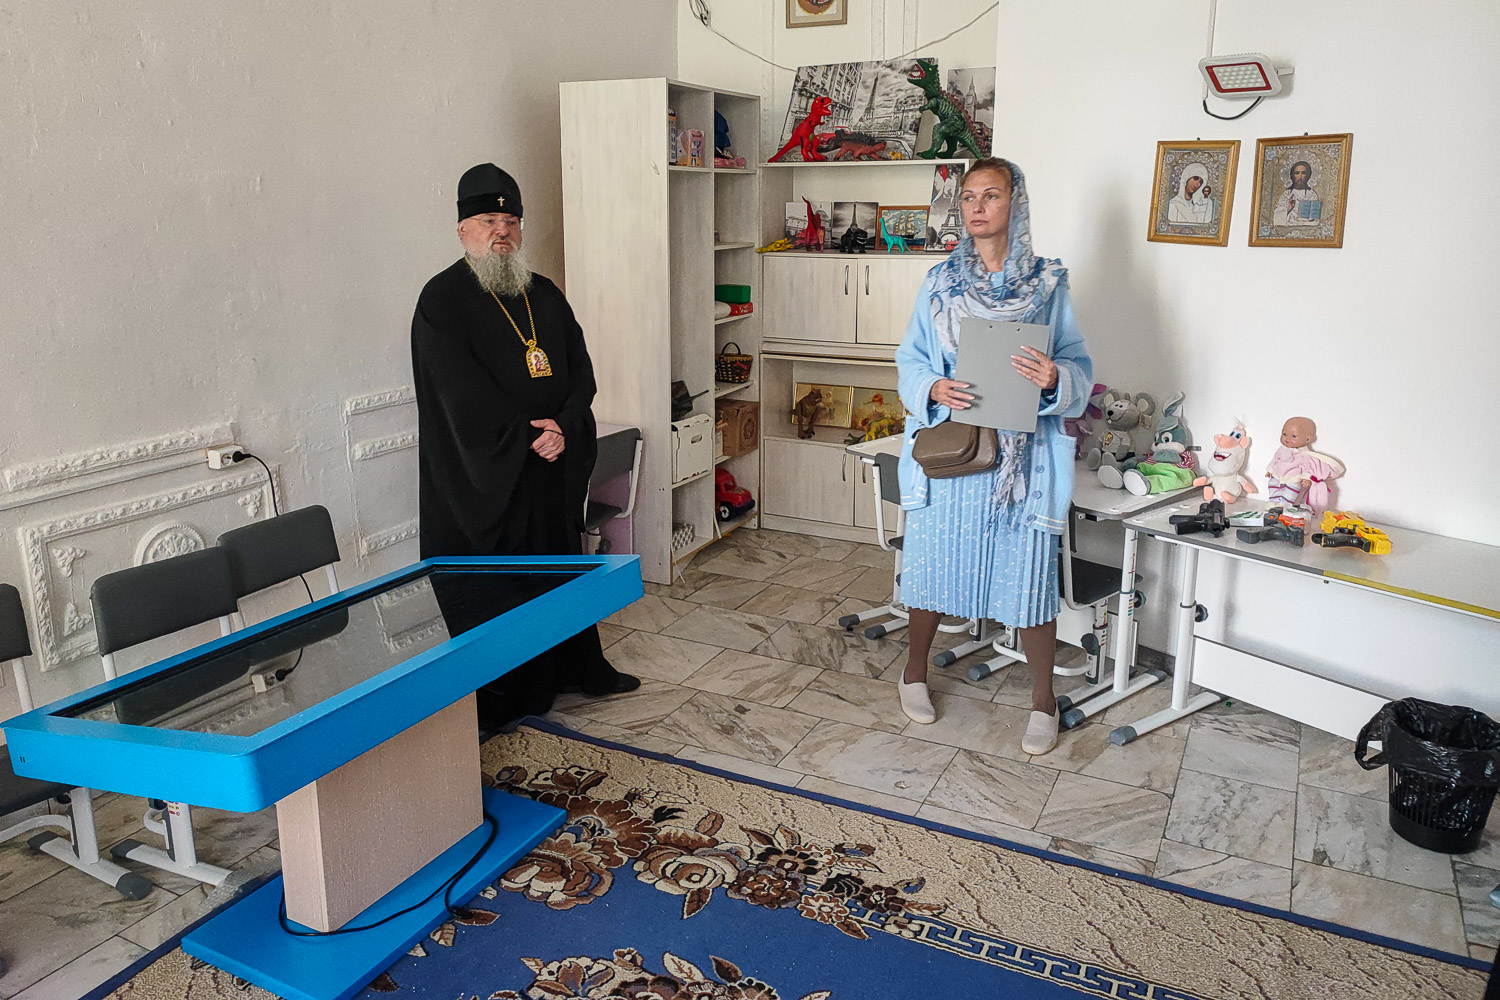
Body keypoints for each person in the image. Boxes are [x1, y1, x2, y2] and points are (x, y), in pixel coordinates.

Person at [411, 163, 639, 727]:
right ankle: (508, 692)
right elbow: (458, 394)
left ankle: (578, 667)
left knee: (559, 570)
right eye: (489, 222)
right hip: (488, 477)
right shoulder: (442, 300)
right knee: (504, 584)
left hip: (549, 469)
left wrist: (563, 425)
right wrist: (530, 437)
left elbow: (580, 369)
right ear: (463, 229)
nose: (502, 232)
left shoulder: (544, 293)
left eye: (511, 221)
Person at [894, 157, 1093, 756]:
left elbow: (1079, 365)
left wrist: (1056, 376)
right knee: (932, 568)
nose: (977, 207)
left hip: (1022, 464)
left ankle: (1043, 702)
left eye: (992, 195)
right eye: (969, 197)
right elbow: (910, 359)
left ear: (1016, 203)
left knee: (1029, 577)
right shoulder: (940, 283)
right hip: (953, 453)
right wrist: (933, 386)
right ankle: (913, 673)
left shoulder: (1048, 285)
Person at [1271, 159, 1319, 226]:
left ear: (1308, 175)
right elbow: (1277, 220)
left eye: (1303, 173)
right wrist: (1288, 209)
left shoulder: (1311, 195)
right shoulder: (1287, 194)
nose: (1300, 177)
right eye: (1297, 173)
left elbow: (1315, 220)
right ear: (1292, 175)